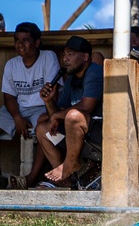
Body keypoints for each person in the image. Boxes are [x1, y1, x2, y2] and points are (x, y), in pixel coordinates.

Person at [34, 35, 104, 189]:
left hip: (100, 131)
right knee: (42, 128)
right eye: (64, 54)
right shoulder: (72, 77)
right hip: (77, 132)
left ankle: (70, 164)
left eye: (70, 55)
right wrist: (48, 101)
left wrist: (58, 115)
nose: (65, 59)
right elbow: (57, 114)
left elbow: (87, 107)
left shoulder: (94, 72)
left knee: (73, 116)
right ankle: (66, 181)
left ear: (85, 57)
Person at [1, 23, 61, 188]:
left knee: (45, 127)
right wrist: (17, 118)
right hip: (17, 109)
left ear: (37, 42)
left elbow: (52, 93)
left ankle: (32, 177)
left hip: (42, 108)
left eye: (26, 40)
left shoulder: (48, 57)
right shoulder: (12, 64)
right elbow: (9, 96)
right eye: (17, 40)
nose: (20, 44)